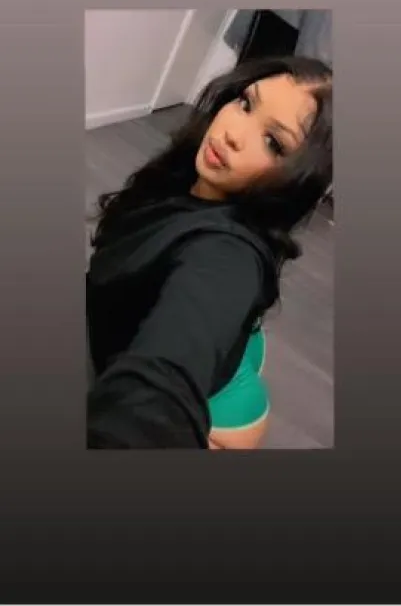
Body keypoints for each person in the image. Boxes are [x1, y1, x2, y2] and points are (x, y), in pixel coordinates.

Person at [86, 55, 332, 449]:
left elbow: (156, 398)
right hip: (226, 346)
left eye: (273, 142)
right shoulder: (185, 176)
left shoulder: (226, 256)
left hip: (226, 412)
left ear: (296, 181)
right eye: (246, 103)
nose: (233, 132)